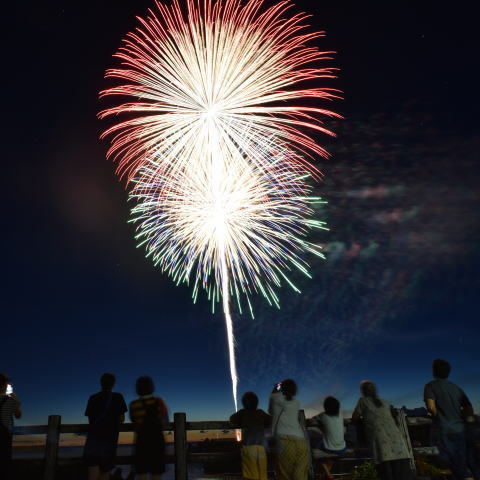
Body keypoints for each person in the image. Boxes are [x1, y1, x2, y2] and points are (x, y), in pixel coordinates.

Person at [424, 358, 479, 480]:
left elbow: (431, 407)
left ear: (434, 371)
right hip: (461, 430)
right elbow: (469, 409)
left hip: (444, 431)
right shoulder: (456, 388)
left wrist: (441, 416)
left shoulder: (430, 386)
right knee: (468, 464)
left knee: (458, 468)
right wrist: (459, 417)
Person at [352, 381, 414, 480]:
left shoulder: (363, 401)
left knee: (386, 474)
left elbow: (355, 417)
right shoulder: (384, 401)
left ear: (363, 391)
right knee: (403, 474)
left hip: (381, 444)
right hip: (398, 443)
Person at [84, 373, 128, 480]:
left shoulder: (93, 398)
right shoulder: (118, 397)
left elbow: (90, 420)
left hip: (93, 439)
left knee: (92, 470)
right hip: (110, 440)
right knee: (105, 472)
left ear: (101, 383)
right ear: (113, 384)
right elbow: (122, 419)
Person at [269, 379, 310, 480]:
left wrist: (276, 387)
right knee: (300, 475)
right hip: (301, 440)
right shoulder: (296, 402)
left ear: (282, 387)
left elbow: (271, 411)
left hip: (284, 441)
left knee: (284, 475)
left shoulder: (276, 398)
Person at [129, 376, 169, 480]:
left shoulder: (133, 404)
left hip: (141, 442)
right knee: (156, 473)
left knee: (141, 473)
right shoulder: (158, 401)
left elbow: (134, 422)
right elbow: (165, 421)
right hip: (157, 441)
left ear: (137, 389)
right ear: (152, 388)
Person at [230, 391, 272, 480]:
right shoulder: (260, 413)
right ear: (256, 403)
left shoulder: (242, 413)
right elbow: (270, 420)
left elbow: (232, 419)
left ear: (244, 403)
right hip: (262, 447)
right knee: (262, 474)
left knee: (250, 475)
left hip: (249, 447)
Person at [310, 396, 346, 480]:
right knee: (330, 457)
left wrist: (320, 425)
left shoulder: (323, 416)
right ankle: (324, 476)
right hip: (342, 447)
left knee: (315, 451)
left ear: (326, 407)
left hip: (330, 448)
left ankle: (328, 473)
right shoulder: (340, 416)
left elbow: (312, 420)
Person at [0, 373, 21, 479]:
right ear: (4, 385)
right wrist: (15, 400)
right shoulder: (11, 400)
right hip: (4, 436)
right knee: (4, 463)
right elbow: (18, 415)